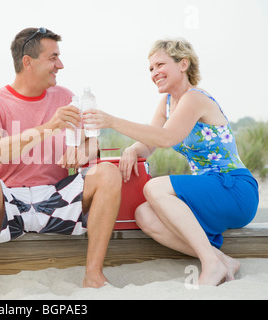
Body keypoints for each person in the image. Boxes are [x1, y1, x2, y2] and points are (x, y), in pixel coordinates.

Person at [83, 38, 259, 286]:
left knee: (154, 187)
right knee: (143, 215)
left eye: (160, 64)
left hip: (234, 188)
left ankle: (209, 264)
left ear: (183, 64)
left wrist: (111, 121)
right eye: (151, 68)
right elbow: (150, 141)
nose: (154, 73)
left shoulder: (195, 97)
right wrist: (134, 148)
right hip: (209, 189)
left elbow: (167, 137)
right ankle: (221, 260)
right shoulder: (167, 103)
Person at [0, 27, 122, 299]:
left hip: (58, 198)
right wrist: (48, 127)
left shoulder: (65, 96)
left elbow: (91, 141)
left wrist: (85, 151)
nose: (60, 65)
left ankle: (93, 275)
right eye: (53, 58)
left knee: (108, 172)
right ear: (28, 62)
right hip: (10, 203)